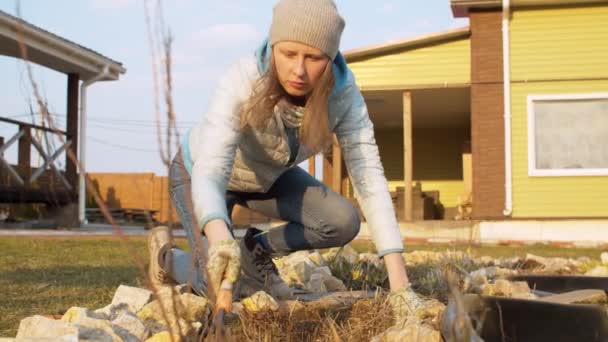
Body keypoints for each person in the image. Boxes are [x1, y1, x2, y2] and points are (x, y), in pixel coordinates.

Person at [148, 0, 426, 324]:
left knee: (342, 220)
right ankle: (166, 258)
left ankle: (257, 249)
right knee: (227, 283)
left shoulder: (345, 96)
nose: (299, 70)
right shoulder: (243, 76)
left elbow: (370, 180)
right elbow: (212, 169)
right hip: (200, 173)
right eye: (289, 54)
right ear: (274, 45)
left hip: (266, 179)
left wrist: (399, 280)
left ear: (330, 57)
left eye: (313, 57)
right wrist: (222, 240)